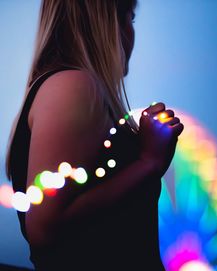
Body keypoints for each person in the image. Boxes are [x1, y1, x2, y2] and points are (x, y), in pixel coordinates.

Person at [5, 0, 184, 270]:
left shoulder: (66, 88)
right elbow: (46, 227)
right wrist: (149, 161)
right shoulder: (74, 87)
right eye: (130, 18)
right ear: (106, 22)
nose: (131, 32)